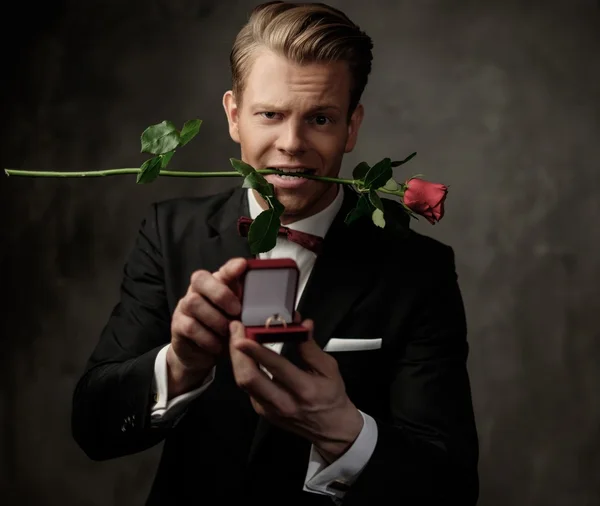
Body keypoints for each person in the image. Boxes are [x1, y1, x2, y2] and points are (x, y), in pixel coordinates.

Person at [71, 2, 479, 504]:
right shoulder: (168, 231)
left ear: (351, 127)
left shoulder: (419, 271)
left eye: (321, 119)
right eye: (270, 115)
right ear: (234, 116)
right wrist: (179, 365)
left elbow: (450, 487)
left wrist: (343, 432)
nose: (292, 143)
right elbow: (93, 428)